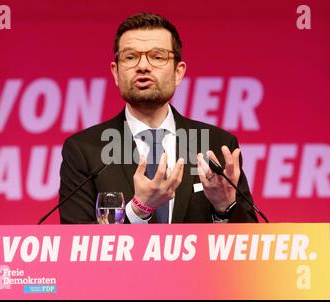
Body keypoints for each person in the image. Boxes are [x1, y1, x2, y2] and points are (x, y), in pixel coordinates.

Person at [59, 13, 258, 224]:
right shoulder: (84, 150)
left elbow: (250, 246)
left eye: (157, 56)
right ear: (116, 73)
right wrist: (138, 210)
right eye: (130, 57)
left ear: (178, 72)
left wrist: (224, 208)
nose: (143, 66)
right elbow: (76, 245)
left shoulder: (215, 144)